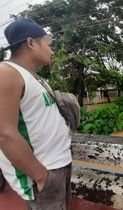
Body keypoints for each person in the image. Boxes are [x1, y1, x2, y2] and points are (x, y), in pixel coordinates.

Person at [0, 18, 72, 210]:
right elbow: (5, 134)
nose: (52, 50)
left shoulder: (35, 77)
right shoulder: (6, 73)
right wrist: (41, 176)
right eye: (49, 45)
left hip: (58, 165)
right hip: (42, 173)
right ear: (31, 43)